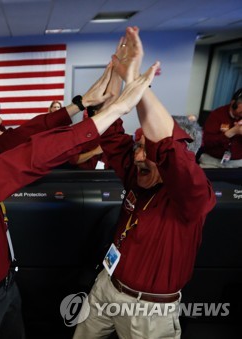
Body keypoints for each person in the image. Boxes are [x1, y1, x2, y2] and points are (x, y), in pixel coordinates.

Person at [0, 48, 159, 339]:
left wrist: (78, 104)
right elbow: (27, 158)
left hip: (6, 287)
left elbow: (24, 136)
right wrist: (114, 111)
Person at [73, 26, 216, 339]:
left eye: (146, 150)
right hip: (106, 288)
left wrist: (136, 80)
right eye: (138, 146)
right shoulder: (136, 173)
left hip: (149, 312)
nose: (138, 156)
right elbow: (109, 131)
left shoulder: (192, 196)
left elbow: (168, 145)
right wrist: (115, 72)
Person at [199, 88, 242, 168]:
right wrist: (231, 132)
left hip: (237, 162)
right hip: (212, 160)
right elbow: (206, 142)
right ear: (233, 103)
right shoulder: (217, 115)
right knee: (201, 178)